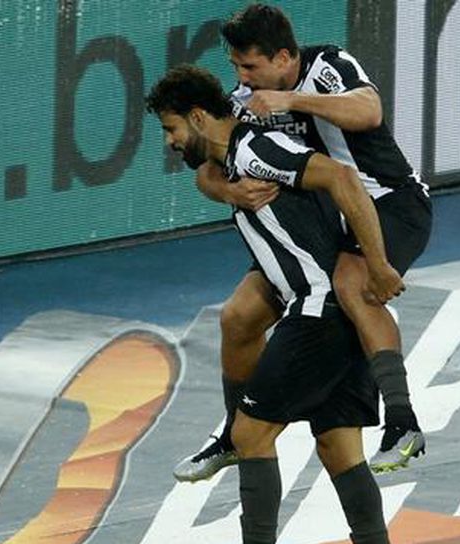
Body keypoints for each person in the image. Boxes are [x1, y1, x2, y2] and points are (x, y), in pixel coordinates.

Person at [146, 64, 398, 544]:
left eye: (172, 128)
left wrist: (377, 264)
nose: (170, 142)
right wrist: (228, 191)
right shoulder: (236, 157)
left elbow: (342, 177)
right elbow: (208, 175)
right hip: (337, 316)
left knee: (251, 435)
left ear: (199, 118)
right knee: (339, 447)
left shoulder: (255, 150)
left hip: (317, 311)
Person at [176, 3, 432, 481]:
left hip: (389, 203)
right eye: (236, 66)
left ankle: (403, 422)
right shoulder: (246, 98)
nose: (242, 77)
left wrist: (292, 101)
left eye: (250, 66)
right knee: (238, 317)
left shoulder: (328, 64)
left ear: (283, 57)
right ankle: (234, 433)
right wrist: (229, 192)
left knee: (353, 283)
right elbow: (208, 167)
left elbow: (369, 110)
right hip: (325, 223)